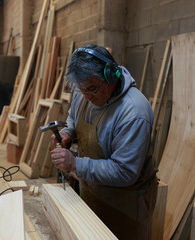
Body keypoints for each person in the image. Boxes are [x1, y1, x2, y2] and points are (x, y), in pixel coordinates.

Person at [50, 44, 158, 239]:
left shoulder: (133, 112)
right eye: (81, 90)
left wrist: (75, 163)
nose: (87, 97)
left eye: (91, 89)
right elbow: (73, 116)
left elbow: (124, 172)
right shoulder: (85, 92)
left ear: (110, 75)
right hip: (92, 194)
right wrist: (68, 131)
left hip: (125, 206)